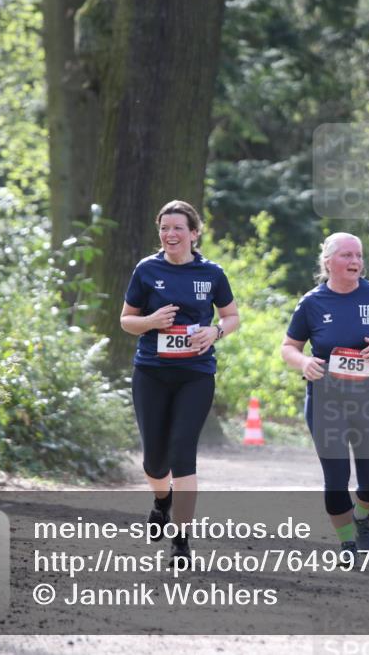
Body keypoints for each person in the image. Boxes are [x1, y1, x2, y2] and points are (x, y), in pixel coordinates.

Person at [120, 200, 239, 562]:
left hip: (195, 374)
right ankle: (162, 500)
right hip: (152, 372)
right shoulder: (146, 270)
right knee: (155, 463)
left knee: (182, 454)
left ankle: (182, 540)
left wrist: (215, 331)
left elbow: (232, 316)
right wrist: (151, 322)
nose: (170, 234)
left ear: (194, 233)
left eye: (178, 228)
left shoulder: (212, 273)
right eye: (164, 228)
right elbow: (126, 320)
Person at [281, 232, 369, 558]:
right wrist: (305, 362)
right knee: (336, 477)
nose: (355, 262)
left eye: (359, 256)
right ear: (328, 262)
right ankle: (347, 542)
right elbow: (289, 347)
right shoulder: (312, 302)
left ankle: (362, 515)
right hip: (327, 400)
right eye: (347, 256)